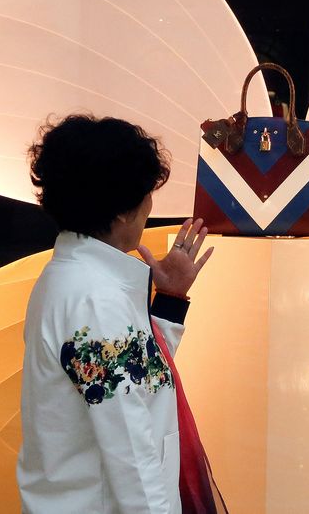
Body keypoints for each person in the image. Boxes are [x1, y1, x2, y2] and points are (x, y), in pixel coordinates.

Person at [16, 114, 220, 513]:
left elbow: (133, 383)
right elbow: (131, 449)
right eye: (147, 192)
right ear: (125, 210)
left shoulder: (76, 282)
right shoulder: (96, 298)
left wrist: (170, 300)